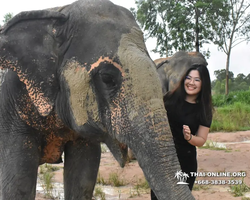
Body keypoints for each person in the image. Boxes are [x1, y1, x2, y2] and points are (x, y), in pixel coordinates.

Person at [151, 64, 213, 199]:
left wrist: (189, 137)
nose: (191, 83)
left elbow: (201, 140)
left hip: (185, 162)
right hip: (163, 160)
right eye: (188, 78)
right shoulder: (170, 98)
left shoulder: (204, 110)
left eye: (197, 80)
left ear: (204, 83)